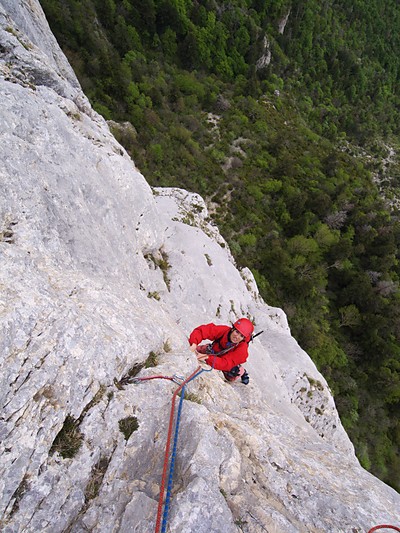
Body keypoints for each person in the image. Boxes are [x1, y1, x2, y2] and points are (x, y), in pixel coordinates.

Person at [188, 318, 254, 385]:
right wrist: (194, 343)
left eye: (241, 336)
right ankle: (206, 349)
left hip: (226, 360)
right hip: (214, 351)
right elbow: (202, 331)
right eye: (237, 332)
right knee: (200, 349)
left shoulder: (242, 349)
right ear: (232, 329)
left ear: (243, 338)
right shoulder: (224, 331)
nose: (237, 337)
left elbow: (225, 363)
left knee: (231, 375)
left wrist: (207, 358)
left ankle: (241, 371)